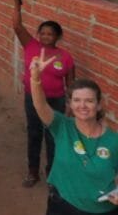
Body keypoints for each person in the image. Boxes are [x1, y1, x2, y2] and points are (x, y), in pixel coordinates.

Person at [29, 51, 118, 214]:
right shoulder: (62, 126)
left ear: (98, 105)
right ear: (70, 104)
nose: (82, 106)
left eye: (89, 101)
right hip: (62, 205)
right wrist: (35, 78)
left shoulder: (114, 140)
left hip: (102, 210)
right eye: (77, 100)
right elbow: (40, 105)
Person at [13, 0, 76, 188]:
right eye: (43, 33)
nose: (46, 36)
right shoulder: (30, 45)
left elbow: (71, 84)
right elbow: (16, 26)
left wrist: (70, 105)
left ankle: (52, 174)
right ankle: (33, 171)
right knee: (34, 133)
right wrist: (17, 3)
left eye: (50, 34)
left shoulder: (65, 57)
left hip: (55, 101)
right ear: (38, 34)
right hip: (33, 98)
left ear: (58, 36)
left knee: (52, 137)